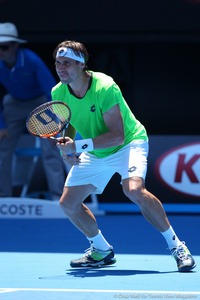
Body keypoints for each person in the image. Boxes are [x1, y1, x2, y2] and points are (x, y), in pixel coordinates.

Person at [51, 40, 196, 272]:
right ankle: (101, 250)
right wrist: (66, 144)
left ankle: (177, 246)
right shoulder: (58, 91)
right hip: (95, 150)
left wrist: (79, 147)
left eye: (66, 63)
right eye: (58, 63)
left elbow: (117, 136)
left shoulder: (105, 86)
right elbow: (68, 123)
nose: (60, 68)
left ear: (81, 64)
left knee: (134, 190)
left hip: (128, 144)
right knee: (68, 204)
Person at [0, 22, 66, 200]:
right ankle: (3, 197)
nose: (1, 51)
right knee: (2, 147)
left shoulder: (31, 60)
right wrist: (1, 125)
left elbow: (51, 91)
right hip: (13, 103)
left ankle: (58, 197)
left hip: (40, 103)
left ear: (15, 46)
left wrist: (55, 119)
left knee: (50, 147)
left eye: (4, 47)